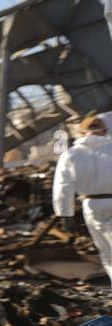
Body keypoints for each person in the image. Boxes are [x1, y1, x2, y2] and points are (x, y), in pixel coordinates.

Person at [53, 112, 112, 285]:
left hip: (91, 205)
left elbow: (62, 187)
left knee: (107, 252)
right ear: (105, 130)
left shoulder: (71, 154)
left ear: (81, 132)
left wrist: (65, 214)